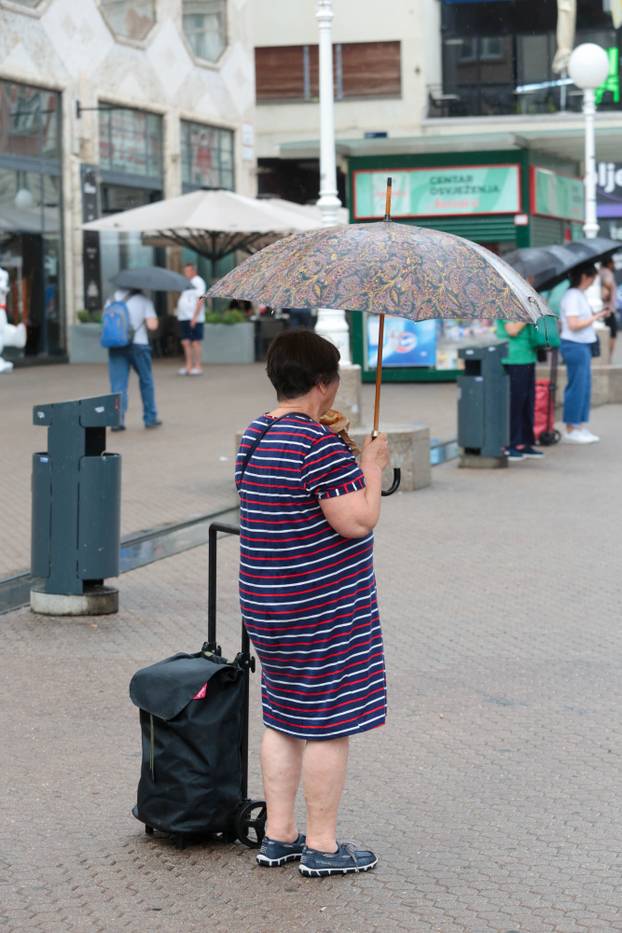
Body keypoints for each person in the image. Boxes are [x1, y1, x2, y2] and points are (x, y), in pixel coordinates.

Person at [235, 330, 390, 877]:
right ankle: (322, 846)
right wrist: (370, 463)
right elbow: (356, 521)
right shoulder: (316, 445)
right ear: (325, 384)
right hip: (320, 607)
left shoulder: (256, 435)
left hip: (266, 599)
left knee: (281, 716)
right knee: (327, 721)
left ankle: (279, 835)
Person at [559, 264, 609, 444]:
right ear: (584, 276)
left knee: (584, 387)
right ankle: (572, 427)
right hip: (575, 345)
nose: (592, 281)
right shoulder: (573, 296)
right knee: (577, 387)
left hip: (581, 345)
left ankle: (578, 425)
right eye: (592, 278)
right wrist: (594, 318)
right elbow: (573, 324)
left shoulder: (578, 295)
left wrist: (595, 315)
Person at [106, 289, 161, 431]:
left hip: (116, 346)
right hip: (139, 345)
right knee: (146, 381)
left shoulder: (111, 299)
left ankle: (117, 421)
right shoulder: (144, 299)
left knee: (118, 385)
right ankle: (150, 418)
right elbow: (152, 325)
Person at [496, 317, 543, 461]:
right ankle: (511, 444)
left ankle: (525, 442)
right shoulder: (504, 305)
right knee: (515, 403)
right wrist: (530, 317)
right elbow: (512, 330)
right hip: (513, 359)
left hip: (528, 356)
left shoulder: (523, 304)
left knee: (527, 402)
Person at [175, 262, 206, 375]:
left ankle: (197, 366)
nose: (186, 273)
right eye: (185, 271)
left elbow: (200, 299)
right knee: (186, 342)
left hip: (194, 317)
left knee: (195, 342)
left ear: (194, 271)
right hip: (183, 317)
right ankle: (188, 365)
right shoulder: (186, 282)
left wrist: (195, 317)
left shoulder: (198, 281)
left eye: (188, 271)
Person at [600, 256, 617, 363]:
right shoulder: (607, 273)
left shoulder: (599, 272)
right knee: (612, 334)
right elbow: (606, 292)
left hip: (602, 310)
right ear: (609, 263)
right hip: (608, 310)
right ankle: (608, 357)